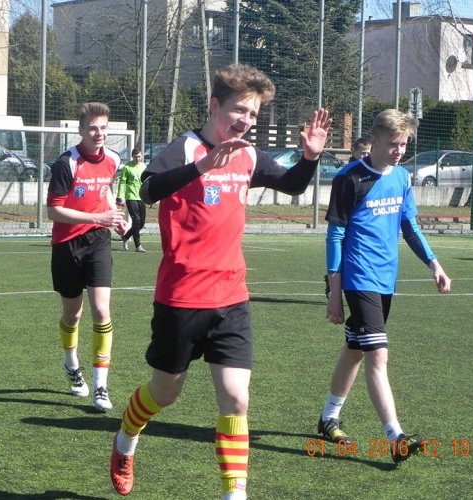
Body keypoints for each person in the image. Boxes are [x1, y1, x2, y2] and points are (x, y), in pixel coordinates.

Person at [109, 64, 332, 499]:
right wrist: (201, 166)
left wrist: (310, 157)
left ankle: (235, 494)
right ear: (215, 105)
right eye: (239, 110)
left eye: (253, 114)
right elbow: (148, 191)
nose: (246, 120)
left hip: (231, 296)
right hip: (181, 297)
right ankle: (126, 438)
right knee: (165, 392)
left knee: (236, 399)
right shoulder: (185, 147)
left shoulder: (248, 154)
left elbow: (291, 186)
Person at [318, 109, 451, 463]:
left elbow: (410, 226)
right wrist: (334, 292)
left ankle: (328, 417)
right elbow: (335, 235)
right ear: (374, 140)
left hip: (385, 278)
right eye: (393, 144)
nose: (399, 151)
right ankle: (396, 436)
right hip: (358, 276)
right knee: (378, 354)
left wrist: (434, 264)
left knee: (356, 349)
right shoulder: (349, 178)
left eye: (404, 144)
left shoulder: (402, 177)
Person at [47, 102, 128, 412]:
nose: (98, 133)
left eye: (103, 128)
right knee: (73, 315)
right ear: (81, 130)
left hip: (98, 241)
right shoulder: (66, 163)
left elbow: (105, 191)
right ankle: (71, 364)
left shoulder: (113, 159)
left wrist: (116, 217)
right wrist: (98, 218)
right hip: (67, 245)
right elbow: (54, 210)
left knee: (102, 311)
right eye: (93, 128)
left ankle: (101, 386)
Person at [116, 148, 148, 253]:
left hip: (141, 197)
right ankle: (138, 246)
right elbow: (122, 183)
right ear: (132, 156)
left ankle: (126, 236)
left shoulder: (144, 167)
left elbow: (147, 181)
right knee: (137, 221)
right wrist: (119, 196)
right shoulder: (127, 168)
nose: (138, 158)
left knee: (141, 223)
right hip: (131, 197)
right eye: (136, 157)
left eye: (139, 156)